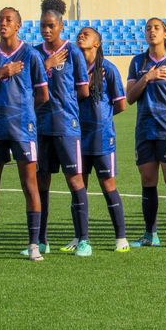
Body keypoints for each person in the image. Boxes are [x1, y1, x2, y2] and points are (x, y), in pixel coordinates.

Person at [0, 7, 49, 261]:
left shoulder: (31, 55)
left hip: (23, 129)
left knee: (30, 186)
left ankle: (33, 245)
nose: (3, 23)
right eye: (0, 20)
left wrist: (25, 111)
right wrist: (0, 74)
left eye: (8, 20)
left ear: (18, 25)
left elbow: (43, 95)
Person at [31, 0, 92, 257]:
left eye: (51, 26)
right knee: (41, 182)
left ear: (61, 25)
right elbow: (27, 87)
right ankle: (40, 240)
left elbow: (84, 90)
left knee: (75, 180)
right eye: (43, 25)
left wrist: (62, 104)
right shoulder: (34, 53)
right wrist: (46, 66)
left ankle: (83, 240)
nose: (46, 30)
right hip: (40, 128)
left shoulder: (73, 53)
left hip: (67, 127)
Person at [126, 18, 166, 249]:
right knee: (148, 180)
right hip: (145, 130)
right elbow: (130, 98)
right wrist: (147, 77)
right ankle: (150, 233)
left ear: (165, 34)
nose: (151, 31)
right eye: (148, 28)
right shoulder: (138, 62)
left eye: (156, 28)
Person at [68, 27, 130, 253]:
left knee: (108, 185)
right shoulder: (72, 69)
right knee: (78, 187)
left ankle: (120, 238)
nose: (81, 35)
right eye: (80, 33)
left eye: (87, 34)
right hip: (75, 136)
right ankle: (79, 237)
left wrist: (101, 118)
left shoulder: (108, 70)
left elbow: (121, 104)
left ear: (97, 42)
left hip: (102, 139)